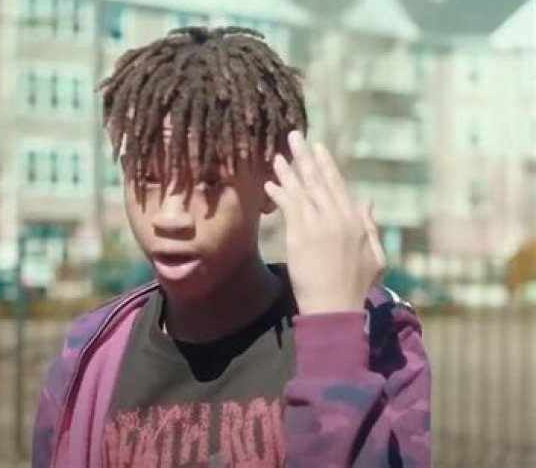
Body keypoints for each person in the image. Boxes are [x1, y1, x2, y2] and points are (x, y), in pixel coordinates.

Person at [32, 26, 430, 468]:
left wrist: (334, 333)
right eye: (147, 179)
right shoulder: (90, 356)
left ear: (273, 180)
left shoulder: (374, 338)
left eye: (209, 182)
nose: (171, 217)